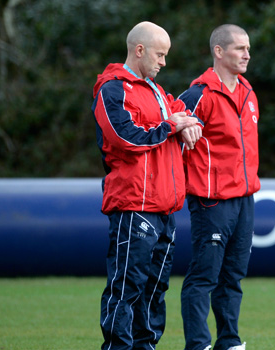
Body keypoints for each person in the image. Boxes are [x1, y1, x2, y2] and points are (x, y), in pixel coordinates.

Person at [92, 21, 201, 350]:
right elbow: (126, 137)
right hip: (133, 205)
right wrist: (172, 126)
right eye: (160, 54)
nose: (164, 62)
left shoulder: (156, 90)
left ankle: (146, 345)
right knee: (126, 286)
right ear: (139, 50)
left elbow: (186, 113)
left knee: (155, 288)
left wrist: (188, 123)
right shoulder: (112, 89)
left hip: (165, 207)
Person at [177, 24, 260, 350]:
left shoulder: (248, 93)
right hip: (211, 202)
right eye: (240, 48)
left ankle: (230, 341)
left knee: (233, 277)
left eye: (248, 48)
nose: (247, 54)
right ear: (219, 51)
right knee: (203, 277)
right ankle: (198, 344)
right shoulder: (198, 95)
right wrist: (181, 128)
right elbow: (170, 134)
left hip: (245, 199)